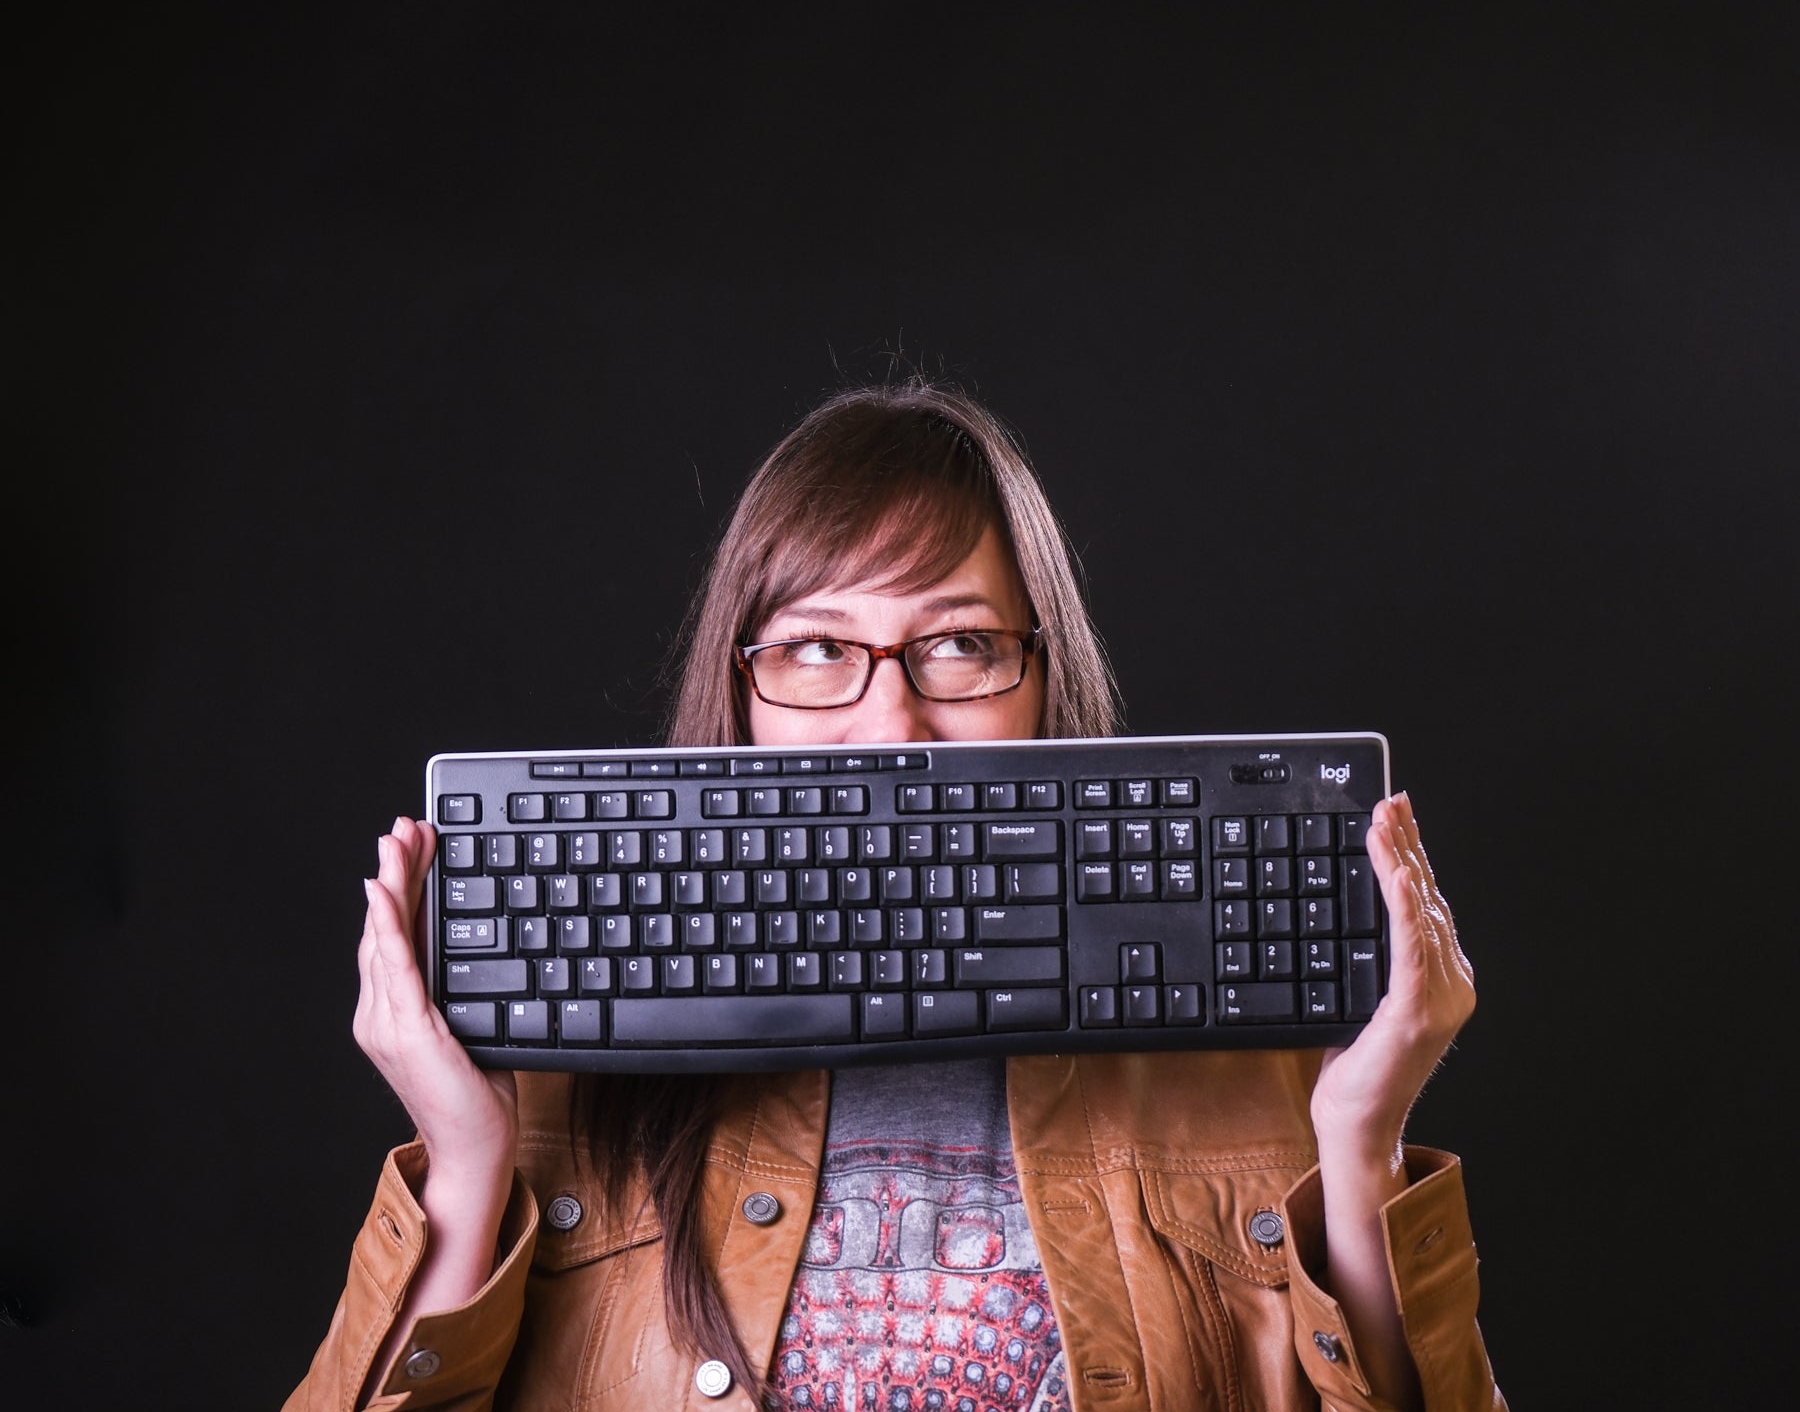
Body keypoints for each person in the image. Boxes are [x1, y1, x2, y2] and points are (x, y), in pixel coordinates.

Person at [286, 377, 1502, 1412]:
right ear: (743, 693)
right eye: (819, 648)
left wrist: (1361, 1142)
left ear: (1040, 674)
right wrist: (463, 1161)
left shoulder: (1261, 1068)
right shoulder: (552, 1076)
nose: (893, 722)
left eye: (958, 645)